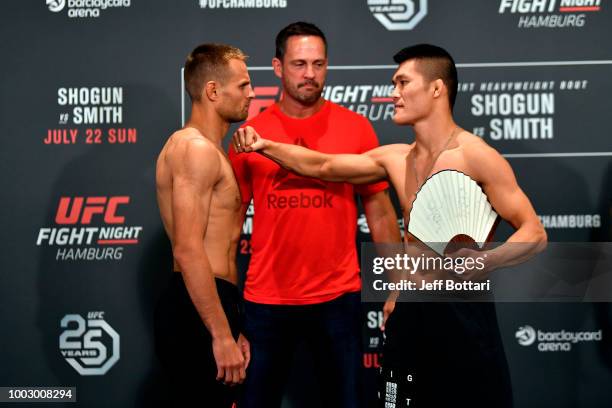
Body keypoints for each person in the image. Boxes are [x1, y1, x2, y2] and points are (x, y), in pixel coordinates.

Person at [233, 44, 548, 407]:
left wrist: (482, 261)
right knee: (397, 402)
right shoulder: (396, 158)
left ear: (436, 88)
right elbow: (322, 166)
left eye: (402, 83)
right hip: (410, 309)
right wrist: (265, 144)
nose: (393, 93)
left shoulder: (474, 155)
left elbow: (534, 233)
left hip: (461, 310)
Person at [229, 22, 401, 408]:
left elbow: (381, 214)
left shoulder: (356, 129)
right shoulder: (249, 135)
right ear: (277, 67)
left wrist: (397, 284)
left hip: (337, 297)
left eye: (318, 64)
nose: (310, 74)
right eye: (299, 64)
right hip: (267, 300)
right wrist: (228, 311)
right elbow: (229, 227)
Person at [154, 43, 254, 407]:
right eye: (242, 85)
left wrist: (230, 324)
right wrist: (221, 334)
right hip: (196, 308)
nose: (251, 93)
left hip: (211, 303)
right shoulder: (194, 150)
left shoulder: (210, 151)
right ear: (213, 91)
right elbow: (188, 247)